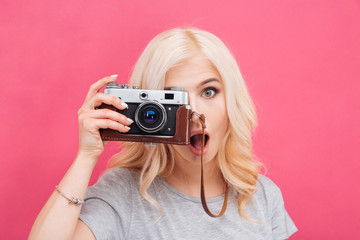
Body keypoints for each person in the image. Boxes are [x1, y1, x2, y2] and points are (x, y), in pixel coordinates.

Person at [29, 27, 297, 239]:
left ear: (232, 103)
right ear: (150, 108)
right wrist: (86, 156)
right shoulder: (123, 193)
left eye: (209, 91)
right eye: (174, 97)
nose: (193, 111)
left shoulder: (261, 195)